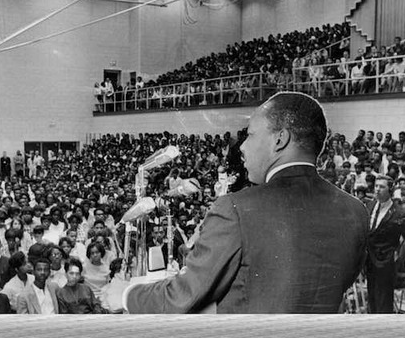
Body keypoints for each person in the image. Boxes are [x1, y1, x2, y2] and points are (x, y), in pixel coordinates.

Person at [124, 92, 369, 313]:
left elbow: (182, 298)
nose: (241, 146)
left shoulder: (235, 209)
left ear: (279, 140)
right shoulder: (355, 211)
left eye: (250, 134)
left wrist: (126, 295)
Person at [365, 175, 405, 313]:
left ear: (390, 189)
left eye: (382, 186)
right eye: (376, 186)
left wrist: (398, 255)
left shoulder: (400, 213)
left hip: (386, 263)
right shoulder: (370, 205)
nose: (377, 189)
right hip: (369, 261)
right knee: (372, 298)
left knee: (384, 301)